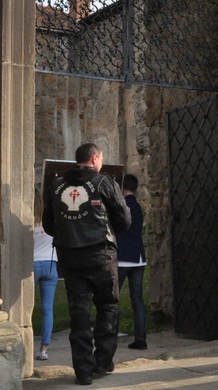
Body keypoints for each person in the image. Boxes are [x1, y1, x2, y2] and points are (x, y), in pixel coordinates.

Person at [42, 143, 131, 385]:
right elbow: (124, 221)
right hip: (101, 255)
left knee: (79, 313)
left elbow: (49, 224)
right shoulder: (105, 183)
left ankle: (83, 371)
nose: (101, 163)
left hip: (70, 258)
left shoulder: (57, 184)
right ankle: (103, 361)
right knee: (108, 306)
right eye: (101, 159)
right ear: (94, 159)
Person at [117, 174, 148, 350]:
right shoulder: (137, 205)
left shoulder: (123, 205)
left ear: (122, 188)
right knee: (137, 299)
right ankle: (141, 338)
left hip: (123, 257)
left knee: (112, 299)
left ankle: (110, 333)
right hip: (137, 257)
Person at [33, 187, 58, 361]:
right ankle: (43, 348)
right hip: (50, 265)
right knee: (47, 309)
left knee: (25, 306)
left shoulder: (27, 221)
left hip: (32, 264)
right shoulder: (50, 220)